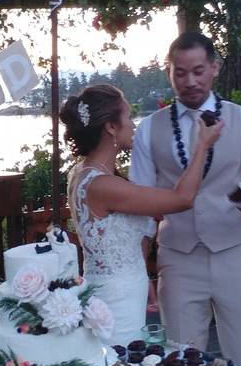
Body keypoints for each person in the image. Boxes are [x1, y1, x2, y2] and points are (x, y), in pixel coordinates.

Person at [130, 32, 241, 366]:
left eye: (198, 71)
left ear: (214, 68)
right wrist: (141, 269)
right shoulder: (149, 130)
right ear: (168, 72)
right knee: (180, 364)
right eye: (180, 73)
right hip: (178, 259)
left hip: (236, 253)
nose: (190, 81)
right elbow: (141, 206)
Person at [60, 84, 224, 346]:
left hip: (118, 289)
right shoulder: (102, 186)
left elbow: (114, 243)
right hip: (117, 304)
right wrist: (202, 146)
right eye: (127, 116)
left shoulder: (83, 173)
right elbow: (182, 199)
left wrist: (142, 276)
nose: (133, 124)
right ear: (111, 127)